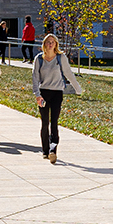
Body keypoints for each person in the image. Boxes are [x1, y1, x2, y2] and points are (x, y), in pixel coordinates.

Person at [32, 34, 81, 163]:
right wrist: (37, 95)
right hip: (43, 94)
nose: (50, 44)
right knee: (44, 123)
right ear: (44, 44)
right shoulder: (39, 59)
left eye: (52, 42)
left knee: (54, 122)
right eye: (48, 42)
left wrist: (77, 88)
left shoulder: (61, 57)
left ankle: (53, 150)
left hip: (57, 93)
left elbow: (68, 73)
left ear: (56, 44)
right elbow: (35, 78)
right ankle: (45, 150)